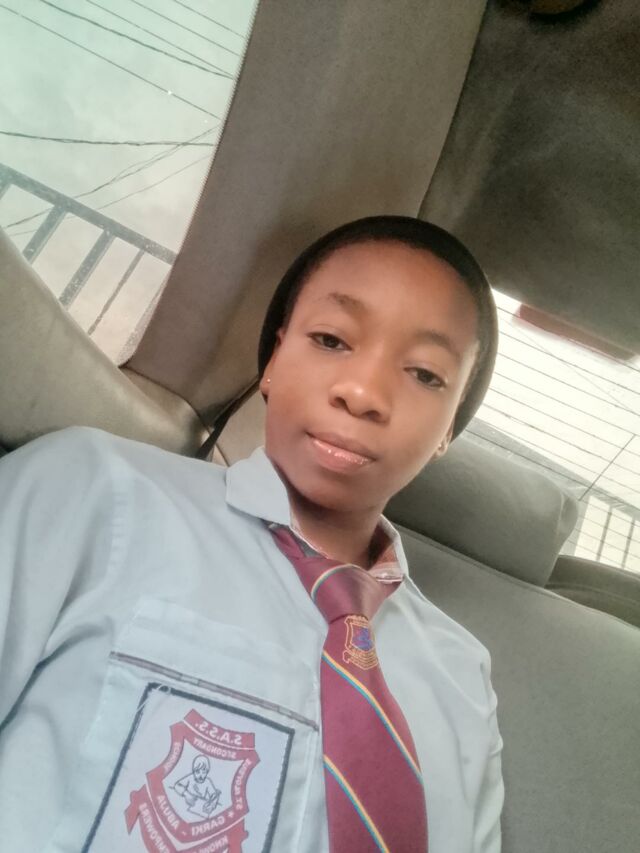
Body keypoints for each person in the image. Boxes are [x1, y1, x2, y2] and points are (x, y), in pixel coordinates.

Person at [0, 216, 503, 852]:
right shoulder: (92, 491)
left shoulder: (463, 677)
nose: (363, 393)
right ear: (273, 360)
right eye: (330, 339)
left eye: (426, 374)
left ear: (449, 430)